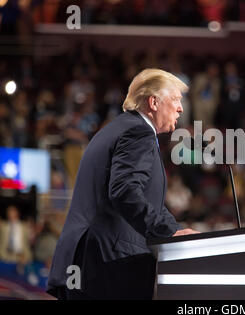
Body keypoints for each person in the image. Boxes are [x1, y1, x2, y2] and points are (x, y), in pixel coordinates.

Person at [47, 69, 199, 300]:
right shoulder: (138, 133)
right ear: (154, 102)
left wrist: (176, 229)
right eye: (176, 100)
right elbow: (124, 191)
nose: (180, 108)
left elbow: (142, 198)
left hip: (89, 257)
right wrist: (168, 232)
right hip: (107, 261)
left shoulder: (117, 128)